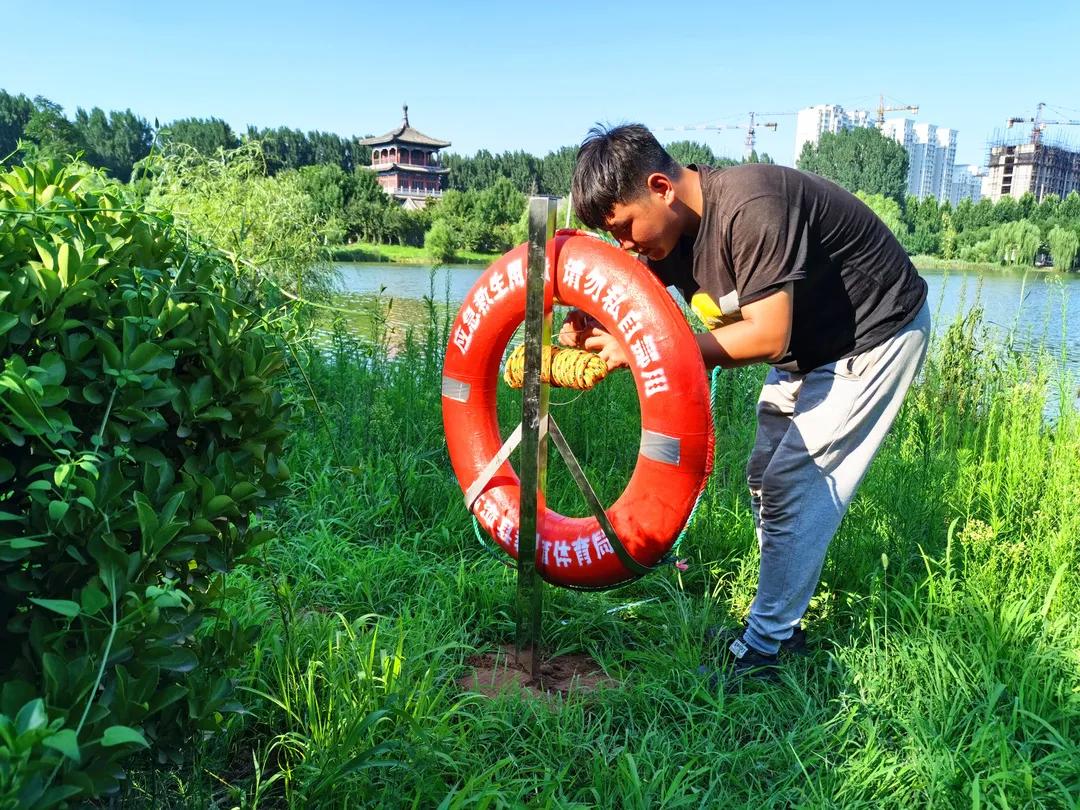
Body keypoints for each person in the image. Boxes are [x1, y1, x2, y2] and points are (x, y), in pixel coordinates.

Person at [561, 123, 930, 677]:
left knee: (793, 485)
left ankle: (764, 647)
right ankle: (779, 620)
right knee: (763, 478)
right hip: (808, 349)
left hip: (873, 336)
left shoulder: (750, 208)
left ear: (661, 186)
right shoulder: (667, 234)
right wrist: (583, 323)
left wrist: (642, 353)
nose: (628, 246)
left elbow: (765, 336)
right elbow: (627, 294)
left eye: (626, 228)